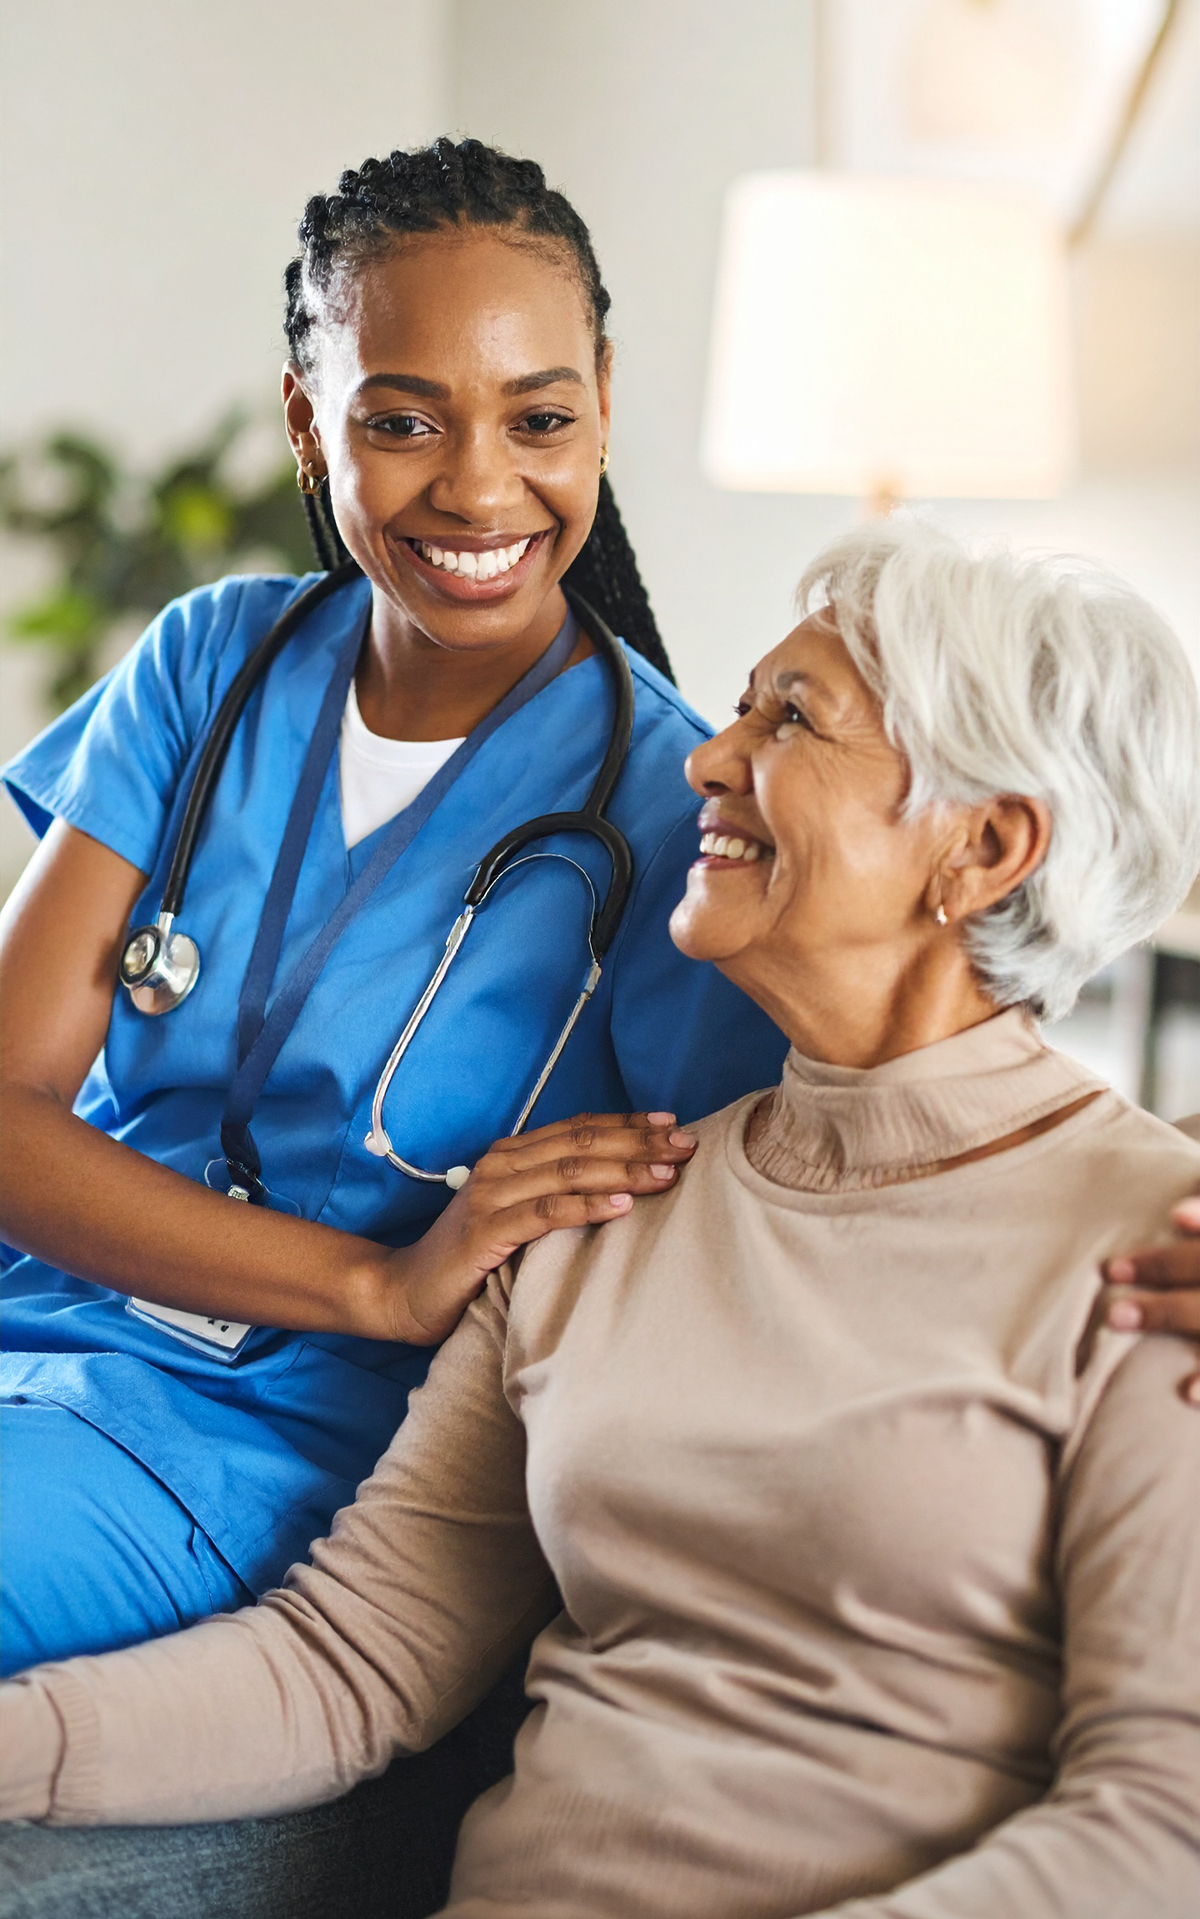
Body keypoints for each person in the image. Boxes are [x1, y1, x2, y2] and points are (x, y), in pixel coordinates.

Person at [5, 520, 1200, 1919]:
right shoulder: (602, 1205)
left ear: (984, 846)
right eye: (745, 703)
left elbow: (1157, 1825)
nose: (706, 754)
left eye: (792, 721)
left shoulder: (1152, 1259)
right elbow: (351, 1661)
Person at [0, 137, 791, 1675]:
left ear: (604, 409)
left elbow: (782, 1205)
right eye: (403, 420)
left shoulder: (681, 816)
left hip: (250, 1445)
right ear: (309, 422)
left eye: (541, 418)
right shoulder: (208, 662)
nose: (481, 486)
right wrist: (379, 1274)